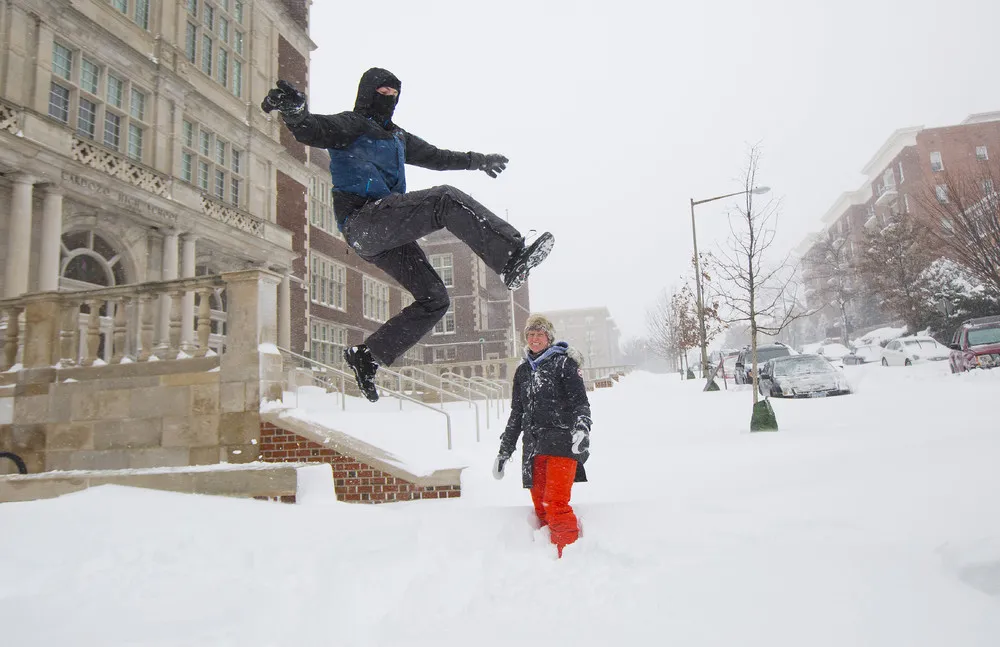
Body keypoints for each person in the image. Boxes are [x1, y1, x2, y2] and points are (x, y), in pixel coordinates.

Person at [261, 69, 555, 402]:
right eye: (382, 90)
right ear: (368, 92)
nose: (388, 97)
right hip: (363, 220)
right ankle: (511, 256)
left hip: (386, 232)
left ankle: (368, 355)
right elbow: (311, 128)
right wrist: (295, 112)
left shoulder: (399, 138)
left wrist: (478, 161)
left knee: (436, 299)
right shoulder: (349, 125)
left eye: (394, 93)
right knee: (444, 200)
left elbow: (438, 157)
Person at [494, 315, 592, 558]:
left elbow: (581, 403)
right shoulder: (523, 371)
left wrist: (582, 429)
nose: (534, 338)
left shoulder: (564, 364)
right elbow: (517, 414)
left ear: (549, 337)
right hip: (534, 448)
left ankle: (569, 556)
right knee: (541, 507)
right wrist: (505, 450)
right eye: (530, 334)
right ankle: (548, 555)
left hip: (561, 444)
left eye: (539, 334)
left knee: (556, 504)